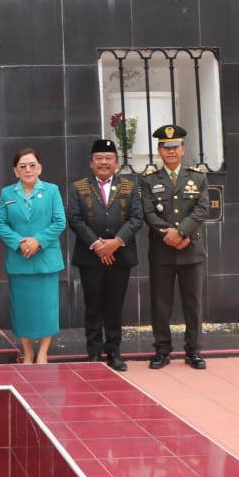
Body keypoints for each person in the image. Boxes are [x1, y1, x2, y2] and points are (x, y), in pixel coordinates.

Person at [65, 139, 144, 371]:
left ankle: (114, 351)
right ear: (91, 163)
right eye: (98, 158)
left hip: (121, 255)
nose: (103, 162)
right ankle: (93, 352)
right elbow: (75, 219)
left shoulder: (130, 186)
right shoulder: (78, 187)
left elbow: (136, 218)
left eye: (108, 158)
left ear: (117, 163)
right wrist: (98, 245)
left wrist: (116, 242)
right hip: (91, 256)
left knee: (114, 304)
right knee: (93, 304)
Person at [140, 124, 211, 370]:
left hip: (191, 250)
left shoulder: (198, 177)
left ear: (183, 149)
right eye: (165, 147)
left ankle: (194, 351)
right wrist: (168, 235)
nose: (170, 151)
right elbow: (148, 213)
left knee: (194, 304)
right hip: (162, 251)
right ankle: (162, 350)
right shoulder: (149, 180)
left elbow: (202, 209)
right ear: (159, 151)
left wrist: (181, 232)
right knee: (161, 304)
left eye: (175, 147)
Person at [0, 148, 66, 364]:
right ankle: (27, 351)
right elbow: (1, 223)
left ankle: (43, 351)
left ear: (40, 168)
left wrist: (38, 241)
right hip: (20, 259)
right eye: (23, 166)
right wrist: (20, 242)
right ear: (15, 171)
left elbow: (59, 222)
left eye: (32, 165)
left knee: (47, 308)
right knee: (22, 308)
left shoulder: (52, 191)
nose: (28, 170)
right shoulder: (7, 193)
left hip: (46, 259)